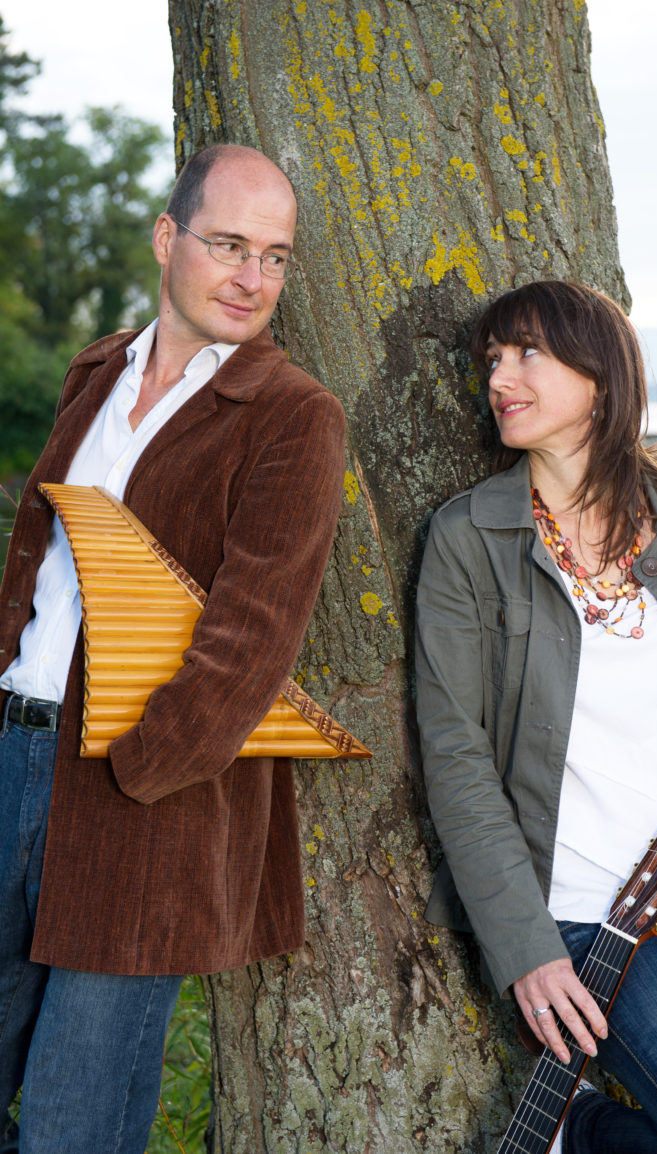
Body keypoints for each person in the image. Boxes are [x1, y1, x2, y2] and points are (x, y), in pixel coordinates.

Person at [0, 143, 346, 1153]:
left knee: (73, 1126)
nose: (253, 278)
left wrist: (139, 768)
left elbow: (253, 635)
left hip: (141, 801)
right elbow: (37, 556)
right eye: (230, 245)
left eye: (275, 257)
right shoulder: (96, 369)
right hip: (15, 757)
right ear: (168, 237)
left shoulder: (293, 415)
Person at [415, 280, 657, 1152]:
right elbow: (456, 757)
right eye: (493, 359)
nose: (501, 376)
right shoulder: (469, 539)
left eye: (527, 352)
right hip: (590, 913)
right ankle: (591, 1129)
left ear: (601, 378)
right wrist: (524, 945)